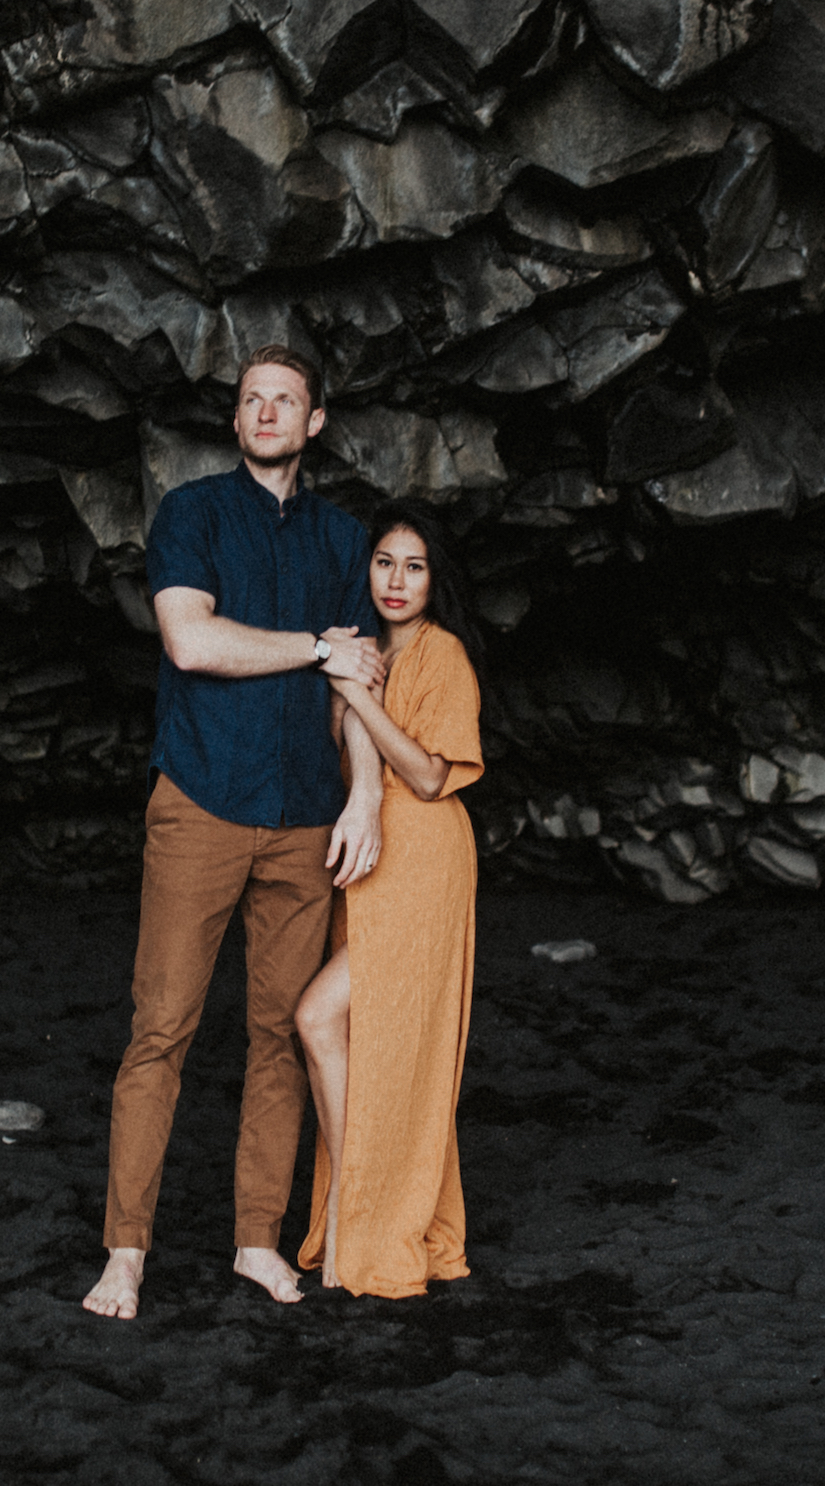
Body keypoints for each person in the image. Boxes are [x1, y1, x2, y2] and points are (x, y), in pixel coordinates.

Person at [82, 345, 390, 1321]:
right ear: (236, 421)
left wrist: (369, 796)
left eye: (283, 400)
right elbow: (190, 639)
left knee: (278, 1037)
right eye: (251, 399)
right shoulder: (193, 513)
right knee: (161, 1030)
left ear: (315, 422)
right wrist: (312, 645)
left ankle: (255, 1238)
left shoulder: (347, 541)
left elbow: (362, 684)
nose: (265, 412)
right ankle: (125, 1253)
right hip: (203, 806)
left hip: (305, 817)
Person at [293, 499, 487, 1298]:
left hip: (426, 857)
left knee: (324, 1017)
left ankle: (361, 1208)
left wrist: (357, 696)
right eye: (384, 562)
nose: (397, 579)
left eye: (414, 565)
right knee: (351, 1030)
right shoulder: (365, 650)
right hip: (377, 865)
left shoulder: (442, 656)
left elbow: (433, 774)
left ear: (435, 579)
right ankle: (363, 1201)